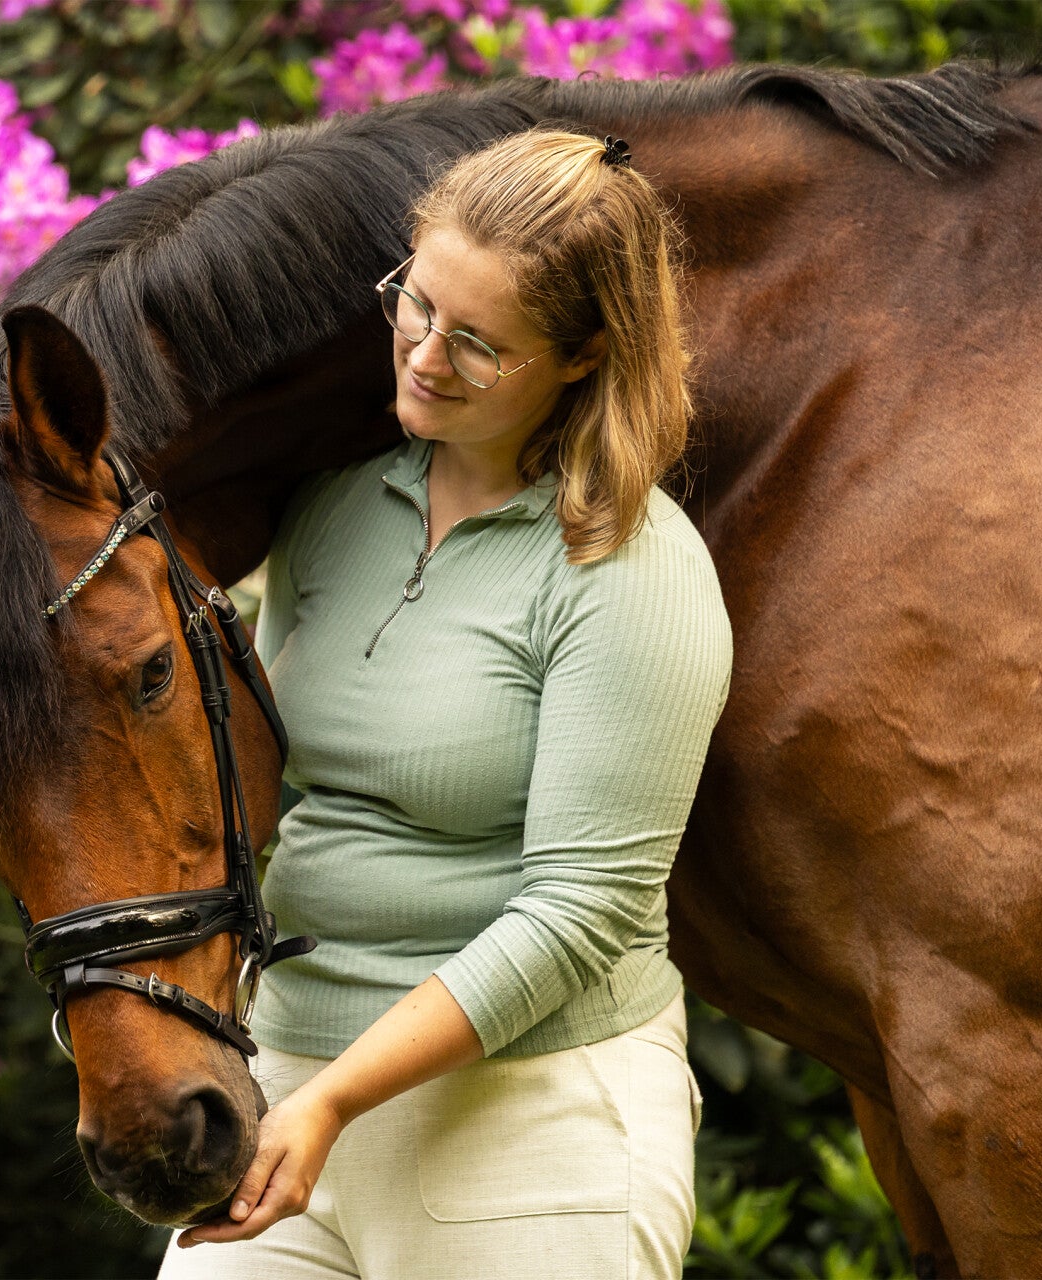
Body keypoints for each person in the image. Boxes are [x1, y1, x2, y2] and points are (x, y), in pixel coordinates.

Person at [158, 128, 734, 1279]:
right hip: (283, 1083)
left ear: (580, 359)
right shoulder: (333, 508)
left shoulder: (629, 570)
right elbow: (279, 789)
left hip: (532, 1123)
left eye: (480, 343)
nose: (424, 355)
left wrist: (335, 1100)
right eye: (415, 305)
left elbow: (578, 912)